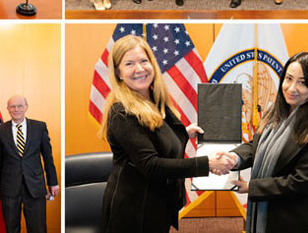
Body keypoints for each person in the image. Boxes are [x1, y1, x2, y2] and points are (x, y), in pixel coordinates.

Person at [99, 35, 234, 233]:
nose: (139, 69)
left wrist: (185, 134)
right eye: (129, 64)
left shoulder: (152, 97)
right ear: (118, 73)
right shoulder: (122, 113)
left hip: (157, 204)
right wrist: (208, 163)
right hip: (133, 212)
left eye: (144, 61)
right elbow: (152, 166)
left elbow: (154, 138)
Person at [215, 52, 308, 233]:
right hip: (271, 213)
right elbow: (256, 145)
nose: (292, 88)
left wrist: (252, 187)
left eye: (302, 83)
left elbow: (301, 181)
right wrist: (235, 158)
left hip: (300, 219)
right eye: (288, 79)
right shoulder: (276, 111)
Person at [0, 95, 59, 233]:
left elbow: (48, 157)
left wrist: (53, 182)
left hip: (35, 186)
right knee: (11, 228)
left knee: (38, 228)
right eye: (12, 106)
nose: (16, 109)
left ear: (26, 107)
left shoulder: (39, 127)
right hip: (9, 186)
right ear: (8, 109)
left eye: (19, 106)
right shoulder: (0, 130)